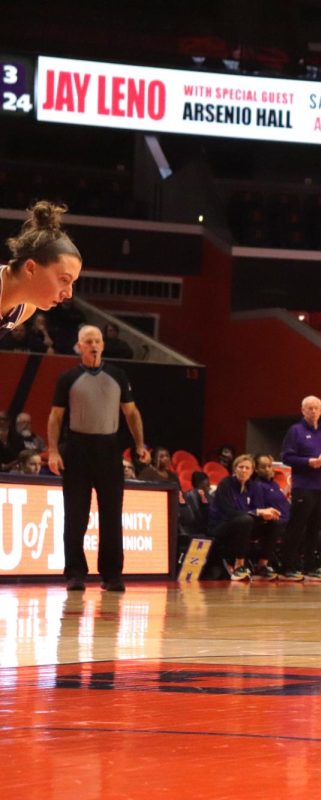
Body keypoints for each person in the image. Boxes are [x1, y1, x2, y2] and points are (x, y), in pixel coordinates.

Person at [47, 325, 148, 592]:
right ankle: (75, 573)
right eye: (88, 341)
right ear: (79, 346)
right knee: (75, 515)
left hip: (109, 448)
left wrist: (140, 444)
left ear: (103, 345)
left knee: (112, 515)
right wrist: (54, 450)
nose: (94, 345)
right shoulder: (67, 378)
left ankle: (112, 575)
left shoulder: (118, 375)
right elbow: (56, 416)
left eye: (98, 341)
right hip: (77, 449)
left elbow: (132, 413)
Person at [279, 396, 321, 582]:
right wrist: (308, 462)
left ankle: (310, 566)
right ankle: (288, 566)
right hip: (304, 486)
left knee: (315, 527)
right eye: (309, 408)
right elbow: (286, 457)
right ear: (303, 410)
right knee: (297, 526)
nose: (313, 411)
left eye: (316, 408)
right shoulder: (295, 431)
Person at [1, 201, 82, 341]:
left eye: (72, 283)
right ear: (30, 268)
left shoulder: (26, 309)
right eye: (64, 279)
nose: (69, 294)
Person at [207, 454, 283, 581]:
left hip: (245, 525)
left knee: (275, 523)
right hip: (221, 525)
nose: (244, 470)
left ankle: (262, 565)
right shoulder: (225, 484)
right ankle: (239, 566)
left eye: (247, 468)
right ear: (234, 469)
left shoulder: (254, 487)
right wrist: (257, 512)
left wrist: (267, 514)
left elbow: (257, 511)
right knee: (246, 519)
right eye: (241, 467)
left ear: (252, 471)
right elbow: (228, 512)